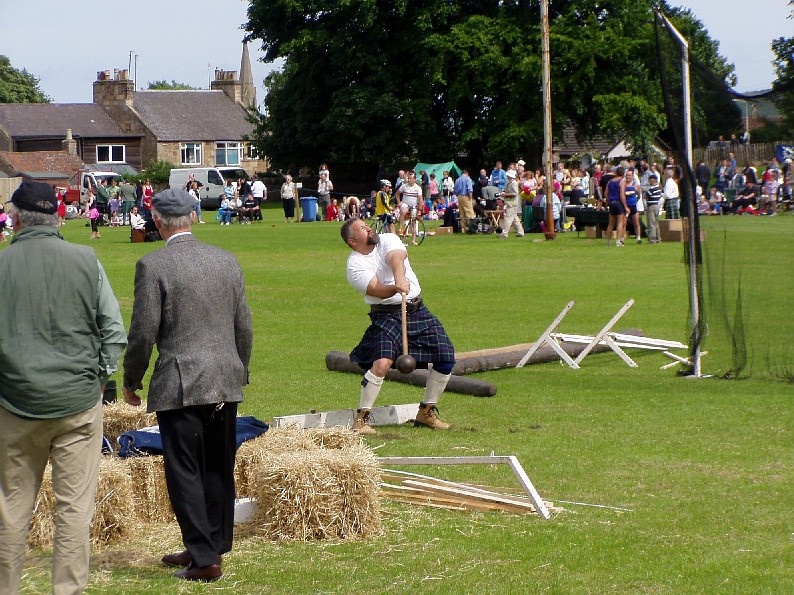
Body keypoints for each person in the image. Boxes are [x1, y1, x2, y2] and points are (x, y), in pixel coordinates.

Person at [0, 181, 126, 595]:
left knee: (11, 511)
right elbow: (113, 332)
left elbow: (112, 333)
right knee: (74, 511)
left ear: (15, 220)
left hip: (18, 402)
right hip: (73, 403)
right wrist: (98, 379)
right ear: (58, 217)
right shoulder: (86, 260)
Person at [122, 188, 253, 583]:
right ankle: (207, 546)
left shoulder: (153, 265)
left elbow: (143, 332)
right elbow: (243, 326)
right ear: (193, 217)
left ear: (158, 222)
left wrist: (131, 379)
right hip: (224, 378)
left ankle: (204, 556)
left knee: (185, 471)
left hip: (181, 381)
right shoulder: (226, 261)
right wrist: (239, 369)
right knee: (218, 467)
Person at [340, 218, 456, 435]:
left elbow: (397, 258)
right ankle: (362, 419)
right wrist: (395, 288)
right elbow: (375, 289)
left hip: (416, 309)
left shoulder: (388, 239)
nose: (369, 229)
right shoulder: (354, 264)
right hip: (387, 315)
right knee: (382, 364)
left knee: (446, 356)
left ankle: (426, 412)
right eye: (362, 229)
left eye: (367, 225)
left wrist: (399, 279)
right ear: (353, 241)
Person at [396, 171, 422, 244]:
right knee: (403, 210)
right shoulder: (404, 186)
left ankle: (413, 240)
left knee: (413, 222)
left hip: (414, 205)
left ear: (414, 179)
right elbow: (397, 193)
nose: (409, 180)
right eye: (409, 178)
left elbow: (420, 199)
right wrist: (399, 202)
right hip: (405, 203)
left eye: (411, 178)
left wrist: (419, 210)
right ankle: (401, 227)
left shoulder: (418, 188)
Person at [604, 166, 626, 246]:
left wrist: (609, 200)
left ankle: (608, 241)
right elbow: (622, 195)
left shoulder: (610, 181)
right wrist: (625, 206)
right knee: (620, 222)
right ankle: (618, 241)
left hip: (612, 203)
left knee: (611, 223)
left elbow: (606, 193)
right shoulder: (622, 182)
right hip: (618, 203)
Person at [499, 169, 524, 238]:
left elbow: (515, 193)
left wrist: (505, 195)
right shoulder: (509, 182)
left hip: (512, 203)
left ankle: (504, 233)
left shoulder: (514, 183)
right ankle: (520, 232)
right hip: (510, 202)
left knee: (508, 218)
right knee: (515, 218)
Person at [622, 168, 642, 243]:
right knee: (624, 223)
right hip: (625, 206)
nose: (628, 177)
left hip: (633, 205)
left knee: (636, 223)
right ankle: (622, 238)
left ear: (632, 176)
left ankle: (638, 238)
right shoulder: (623, 185)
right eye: (627, 175)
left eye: (629, 175)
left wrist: (635, 200)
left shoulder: (636, 185)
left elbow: (639, 195)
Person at [453, 168, 475, 233]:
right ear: (467, 173)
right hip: (466, 196)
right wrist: (470, 198)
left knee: (462, 213)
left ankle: (463, 229)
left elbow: (455, 190)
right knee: (469, 212)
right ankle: (471, 228)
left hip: (459, 197)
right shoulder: (468, 179)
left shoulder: (457, 180)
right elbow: (469, 189)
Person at [644, 174, 663, 244]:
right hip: (657, 206)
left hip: (651, 206)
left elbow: (645, 196)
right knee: (656, 223)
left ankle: (652, 239)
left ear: (653, 180)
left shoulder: (652, 189)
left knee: (651, 223)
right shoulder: (658, 188)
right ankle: (658, 238)